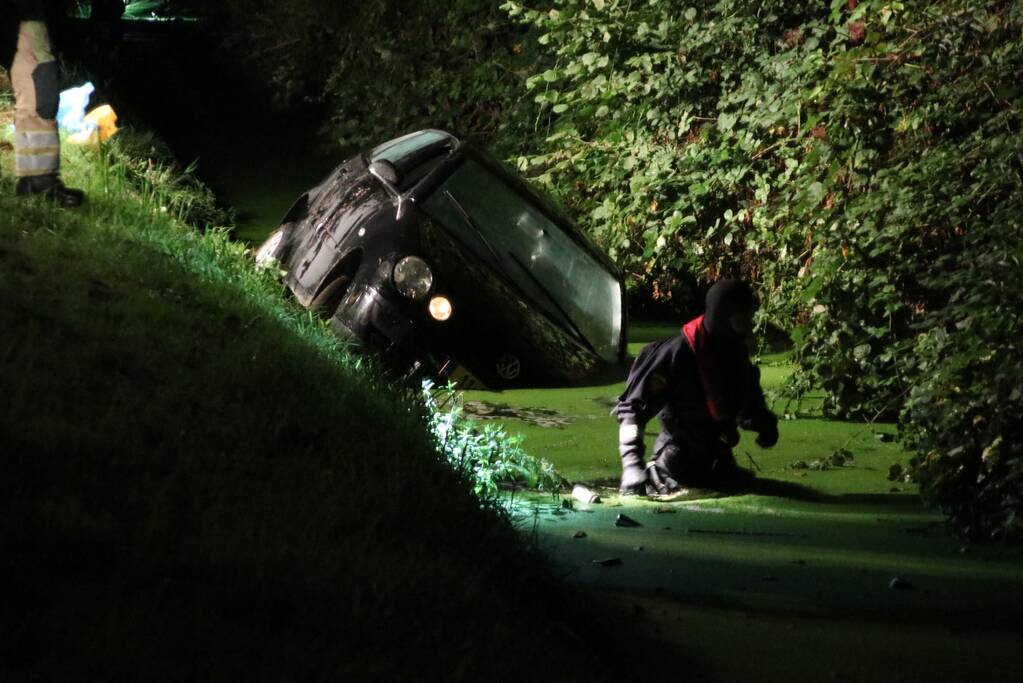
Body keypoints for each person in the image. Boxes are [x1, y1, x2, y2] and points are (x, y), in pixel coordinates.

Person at [613, 279, 779, 495]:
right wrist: (632, 464)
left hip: (718, 463)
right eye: (743, 317)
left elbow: (747, 403)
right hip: (674, 466)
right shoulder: (677, 354)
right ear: (724, 315)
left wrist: (763, 423)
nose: (749, 324)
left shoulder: (734, 355)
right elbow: (632, 410)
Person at [3, 0, 85, 206]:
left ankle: (30, 179)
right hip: (27, 20)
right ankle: (40, 182)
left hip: (21, 21)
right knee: (40, 100)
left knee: (31, 100)